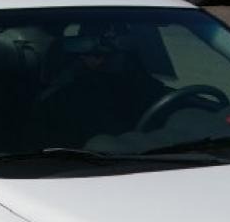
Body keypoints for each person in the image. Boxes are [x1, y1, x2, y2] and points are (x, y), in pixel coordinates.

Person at [39, 20, 168, 149]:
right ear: (80, 52)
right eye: (95, 52)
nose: (104, 57)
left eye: (116, 46)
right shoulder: (63, 96)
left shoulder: (141, 84)